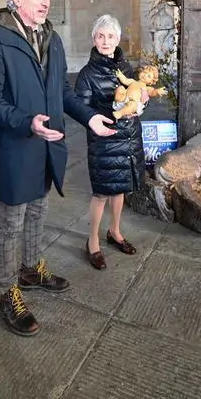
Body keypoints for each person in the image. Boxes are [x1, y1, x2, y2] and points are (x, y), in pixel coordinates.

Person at [0, 0, 115, 337]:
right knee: (11, 222)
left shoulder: (51, 38)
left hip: (48, 145)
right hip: (16, 146)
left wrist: (90, 118)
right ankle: (7, 290)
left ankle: (32, 268)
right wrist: (25, 121)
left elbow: (64, 93)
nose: (46, 0)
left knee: (39, 210)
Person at [73, 15, 144, 270]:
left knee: (120, 187)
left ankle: (115, 231)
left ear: (117, 39)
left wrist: (139, 106)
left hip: (129, 136)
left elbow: (136, 93)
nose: (105, 41)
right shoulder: (87, 74)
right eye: (100, 36)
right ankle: (92, 242)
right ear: (94, 39)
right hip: (104, 139)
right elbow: (81, 109)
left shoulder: (126, 68)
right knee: (101, 193)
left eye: (110, 36)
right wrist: (108, 111)